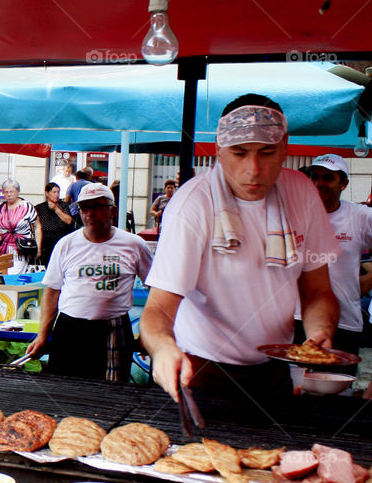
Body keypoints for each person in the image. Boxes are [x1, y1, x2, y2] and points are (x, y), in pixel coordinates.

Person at [140, 94, 339, 406]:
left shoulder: (301, 192)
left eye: (267, 152)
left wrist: (318, 334)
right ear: (219, 150)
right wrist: (163, 347)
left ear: (285, 146)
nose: (254, 170)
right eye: (240, 153)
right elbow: (157, 310)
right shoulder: (191, 206)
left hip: (276, 367)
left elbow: (317, 289)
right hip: (201, 368)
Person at [25, 183, 152, 382]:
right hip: (69, 329)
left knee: (112, 392)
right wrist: (42, 335)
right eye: (85, 207)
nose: (90, 213)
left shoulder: (134, 244)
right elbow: (52, 292)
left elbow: (156, 290)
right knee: (65, 389)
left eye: (97, 206)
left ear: (113, 210)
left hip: (114, 328)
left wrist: (147, 331)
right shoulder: (66, 244)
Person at [293, 154, 372, 376]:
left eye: (327, 178)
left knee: (338, 396)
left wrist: (366, 282)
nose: (319, 183)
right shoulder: (293, 214)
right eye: (314, 177)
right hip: (297, 319)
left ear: (344, 184)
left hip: (345, 322)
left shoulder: (360, 216)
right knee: (294, 391)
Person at [0, 179, 37, 274]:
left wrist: (38, 246)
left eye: (12, 191)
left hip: (20, 248)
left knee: (14, 275)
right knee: (0, 275)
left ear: (17, 192)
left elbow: (37, 227)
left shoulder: (27, 207)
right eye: (6, 192)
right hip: (1, 248)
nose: (9, 194)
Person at [34, 183, 72, 267]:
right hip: (45, 243)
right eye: (54, 192)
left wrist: (56, 209)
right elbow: (35, 226)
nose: (56, 195)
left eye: (58, 192)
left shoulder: (63, 206)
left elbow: (69, 221)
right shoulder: (39, 208)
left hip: (60, 241)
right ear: (47, 193)